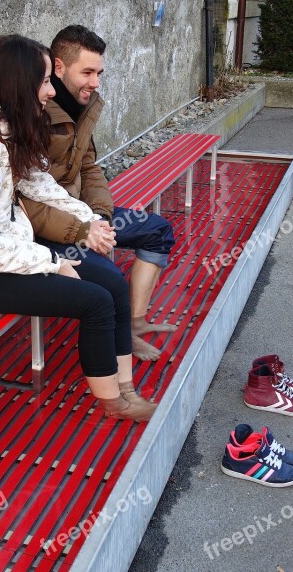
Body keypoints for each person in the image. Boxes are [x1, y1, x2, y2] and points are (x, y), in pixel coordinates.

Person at [0, 34, 156, 422]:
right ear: (20, 83)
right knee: (93, 301)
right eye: (45, 80)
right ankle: (114, 404)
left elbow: (36, 182)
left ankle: (127, 386)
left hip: (9, 247)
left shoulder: (2, 122)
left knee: (112, 282)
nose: (50, 91)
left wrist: (89, 219)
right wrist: (49, 260)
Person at [20, 25, 177, 362]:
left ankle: (133, 325)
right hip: (45, 227)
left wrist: (102, 217)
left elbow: (89, 168)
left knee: (157, 230)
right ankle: (117, 365)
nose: (96, 82)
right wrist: (85, 229)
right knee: (108, 279)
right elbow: (29, 198)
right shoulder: (34, 111)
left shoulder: (84, 104)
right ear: (58, 68)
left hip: (82, 214)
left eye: (99, 72)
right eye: (87, 72)